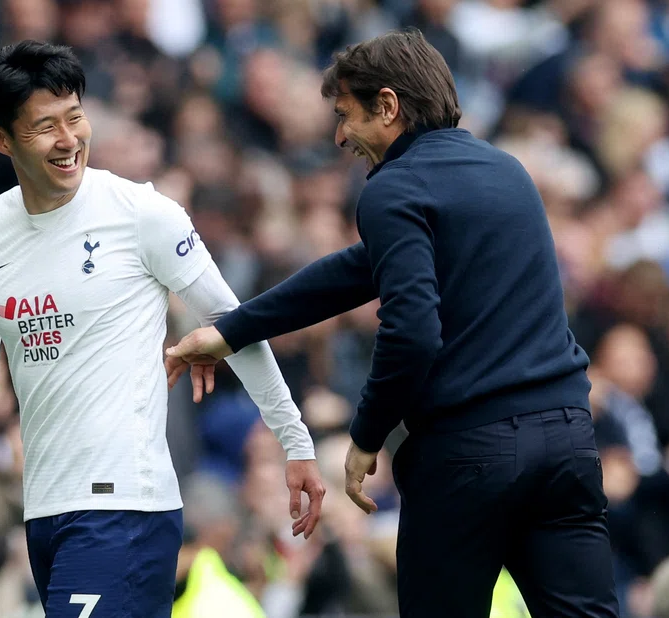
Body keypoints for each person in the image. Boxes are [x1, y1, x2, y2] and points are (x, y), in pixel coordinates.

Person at [166, 29, 619, 617]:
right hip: (565, 441)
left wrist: (365, 434)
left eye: (345, 115)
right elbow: (352, 272)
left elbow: (411, 332)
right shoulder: (506, 169)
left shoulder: (392, 188)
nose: (339, 136)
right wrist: (231, 331)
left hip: (468, 453)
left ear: (388, 106)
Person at [0, 41, 324, 618]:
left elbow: (234, 325)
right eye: (45, 126)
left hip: (125, 509)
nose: (69, 140)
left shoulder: (142, 213)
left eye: (75, 117)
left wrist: (295, 442)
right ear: (0, 139)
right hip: (43, 511)